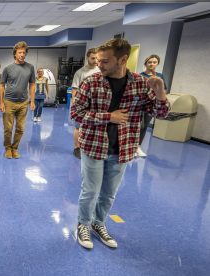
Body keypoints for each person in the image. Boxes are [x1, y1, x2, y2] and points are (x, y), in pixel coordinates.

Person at [71, 38, 170, 250]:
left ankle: (99, 223)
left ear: (122, 59)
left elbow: (160, 112)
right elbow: (76, 114)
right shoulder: (91, 82)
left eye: (105, 61)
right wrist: (109, 117)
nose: (99, 64)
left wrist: (160, 91)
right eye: (98, 60)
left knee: (108, 193)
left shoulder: (140, 84)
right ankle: (83, 225)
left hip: (123, 148)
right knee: (90, 190)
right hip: (93, 146)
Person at [0, 41, 36, 159]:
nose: (22, 55)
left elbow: (32, 84)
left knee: (20, 128)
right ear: (15, 54)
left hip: (23, 102)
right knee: (8, 128)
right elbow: (1, 85)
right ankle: (8, 148)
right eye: (20, 52)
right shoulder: (8, 68)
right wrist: (1, 102)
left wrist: (33, 100)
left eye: (24, 53)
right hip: (9, 102)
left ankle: (15, 148)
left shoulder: (30, 68)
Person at [71, 48, 100, 159]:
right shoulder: (80, 72)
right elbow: (74, 90)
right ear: (88, 58)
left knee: (93, 127)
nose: (95, 60)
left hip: (96, 105)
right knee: (78, 127)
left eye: (97, 58)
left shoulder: (101, 71)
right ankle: (77, 148)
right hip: (82, 105)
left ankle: (90, 147)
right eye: (93, 58)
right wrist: (73, 106)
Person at [138, 54, 167, 158]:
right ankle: (130, 146)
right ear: (145, 63)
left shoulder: (160, 76)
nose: (152, 64)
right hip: (139, 104)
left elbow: (163, 91)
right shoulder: (140, 75)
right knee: (135, 125)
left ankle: (138, 147)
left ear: (157, 63)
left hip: (151, 106)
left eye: (154, 62)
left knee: (144, 125)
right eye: (150, 62)